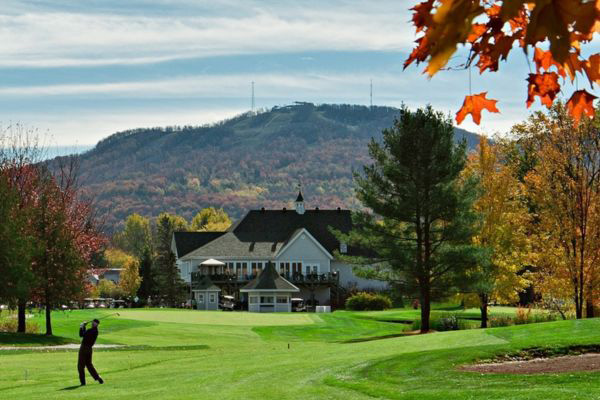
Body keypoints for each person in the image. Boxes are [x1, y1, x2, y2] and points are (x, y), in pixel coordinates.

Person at [78, 318, 104, 386]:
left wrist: (81, 327)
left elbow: (81, 335)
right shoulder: (95, 331)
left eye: (94, 323)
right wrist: (84, 327)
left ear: (97, 324)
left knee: (81, 366)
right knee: (89, 365)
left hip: (84, 348)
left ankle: (83, 382)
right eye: (92, 322)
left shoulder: (91, 331)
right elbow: (83, 334)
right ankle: (98, 378)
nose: (92, 323)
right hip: (89, 349)